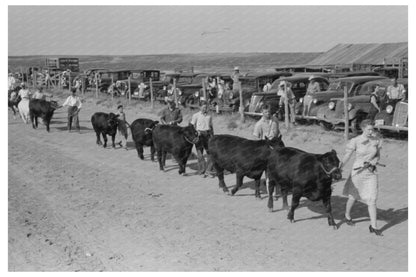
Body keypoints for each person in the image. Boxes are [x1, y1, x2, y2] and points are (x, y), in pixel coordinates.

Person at [339, 119, 383, 236]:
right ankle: (347, 215)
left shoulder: (376, 141)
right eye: (368, 129)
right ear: (362, 128)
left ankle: (374, 226)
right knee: (354, 196)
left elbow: (378, 156)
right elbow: (347, 155)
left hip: (371, 172)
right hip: (357, 172)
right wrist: (340, 167)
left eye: (372, 129)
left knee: (372, 199)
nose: (370, 132)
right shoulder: (355, 141)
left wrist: (373, 161)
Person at [191, 101, 214, 177]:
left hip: (207, 135)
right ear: (200, 107)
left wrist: (212, 136)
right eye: (203, 107)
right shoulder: (196, 115)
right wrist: (196, 132)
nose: (205, 109)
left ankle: (208, 170)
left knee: (210, 154)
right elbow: (192, 126)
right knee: (200, 154)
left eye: (206, 107)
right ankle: (202, 171)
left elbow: (211, 126)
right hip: (199, 136)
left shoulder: (209, 116)